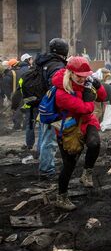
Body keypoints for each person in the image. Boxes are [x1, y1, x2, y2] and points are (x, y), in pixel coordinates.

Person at [52, 56, 107, 211]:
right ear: (70, 73)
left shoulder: (86, 80)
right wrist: (90, 99)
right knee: (69, 165)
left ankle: (87, 173)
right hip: (69, 129)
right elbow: (85, 108)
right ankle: (61, 197)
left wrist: (98, 85)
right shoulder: (61, 92)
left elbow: (102, 96)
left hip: (87, 122)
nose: (83, 79)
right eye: (79, 76)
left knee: (95, 143)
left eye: (86, 76)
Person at [36, 38, 69, 180]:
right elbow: (57, 86)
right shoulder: (57, 66)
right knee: (49, 140)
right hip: (52, 107)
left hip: (43, 104)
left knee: (43, 137)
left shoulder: (44, 62)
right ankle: (46, 170)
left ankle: (43, 163)